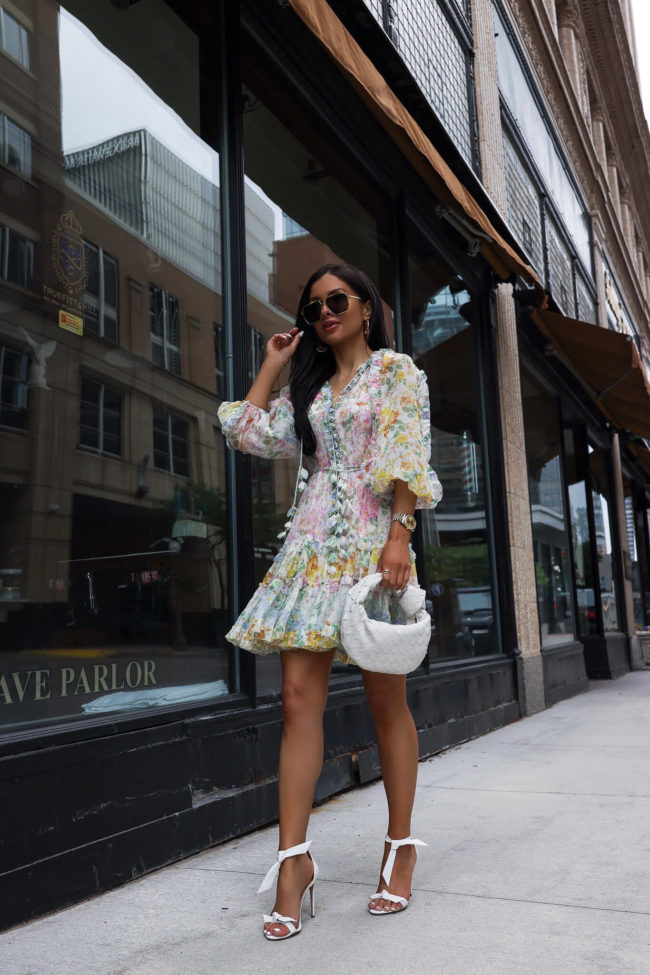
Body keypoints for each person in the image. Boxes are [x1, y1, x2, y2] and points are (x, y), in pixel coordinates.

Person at [217, 263, 442, 941]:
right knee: (294, 700)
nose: (324, 314)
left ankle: (399, 846)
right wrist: (272, 363)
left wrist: (400, 533)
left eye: (336, 301)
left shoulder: (397, 372)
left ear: (366, 307)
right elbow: (246, 431)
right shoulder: (310, 389)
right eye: (314, 307)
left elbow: (407, 450)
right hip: (311, 549)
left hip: (377, 545)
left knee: (385, 700)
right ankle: (294, 863)